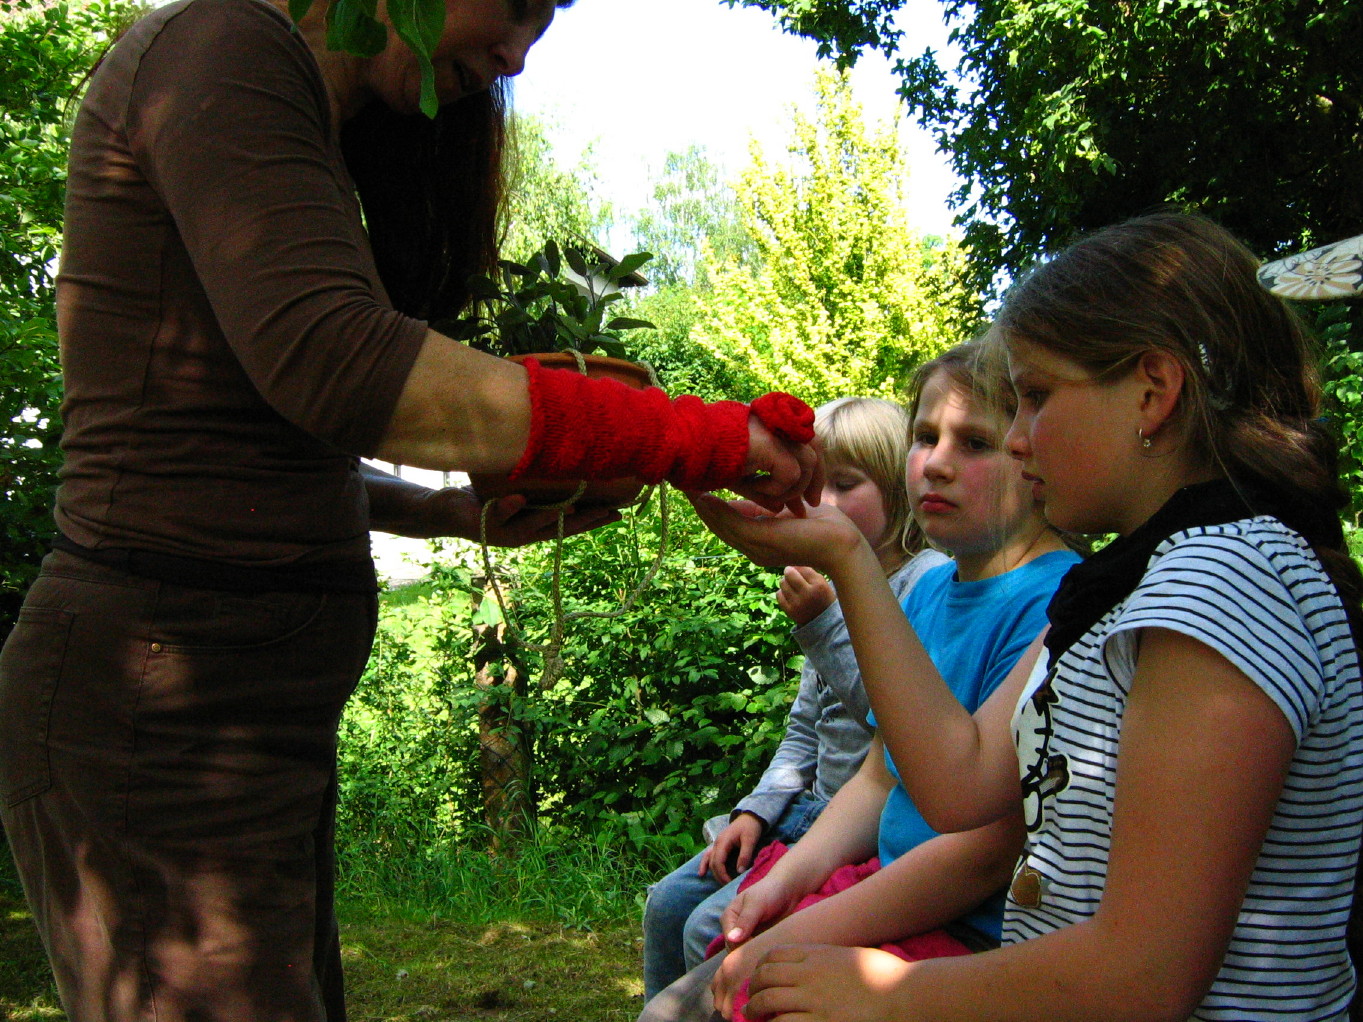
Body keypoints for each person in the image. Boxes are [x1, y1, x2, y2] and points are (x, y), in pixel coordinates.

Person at [0, 2, 821, 1020]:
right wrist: (693, 435)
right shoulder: (223, 46)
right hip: (153, 721)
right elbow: (341, 364)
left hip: (238, 730)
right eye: (521, 4)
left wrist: (450, 515)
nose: (522, 52)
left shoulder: (307, 120)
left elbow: (249, 456)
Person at [691, 212, 1363, 1022]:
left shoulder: (1218, 585)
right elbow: (957, 778)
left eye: (1034, 396)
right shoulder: (1134, 581)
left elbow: (1142, 977)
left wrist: (884, 995)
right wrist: (846, 556)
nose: (1015, 440)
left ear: (1152, 391)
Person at [641, 342, 1082, 1022]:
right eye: (925, 436)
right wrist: (780, 881)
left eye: (974, 443)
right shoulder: (932, 592)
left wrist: (787, 935)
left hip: (968, 932)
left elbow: (980, 855)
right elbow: (878, 778)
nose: (935, 463)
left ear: (1032, 453)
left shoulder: (1053, 604)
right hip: (881, 889)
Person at [642, 397, 950, 1000]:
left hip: (856, 826)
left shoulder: (927, 580)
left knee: (710, 927)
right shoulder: (833, 585)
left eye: (845, 484)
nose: (822, 505)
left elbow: (892, 717)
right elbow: (806, 728)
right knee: (668, 901)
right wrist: (754, 811)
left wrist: (823, 625)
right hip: (802, 813)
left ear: (895, 488)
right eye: (813, 486)